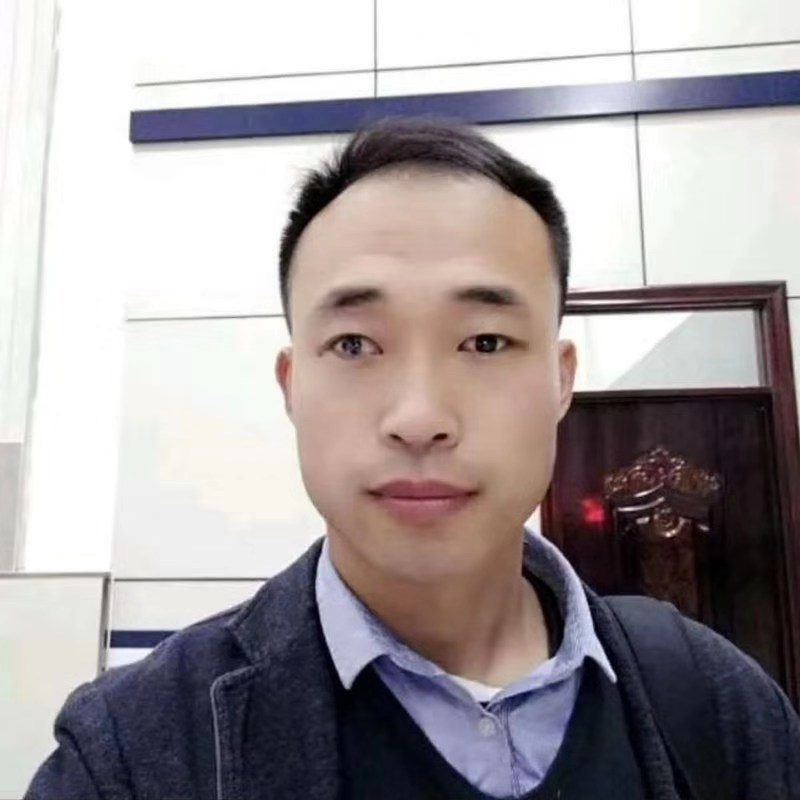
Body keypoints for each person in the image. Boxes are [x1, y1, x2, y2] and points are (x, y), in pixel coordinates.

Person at [26, 117, 799, 800]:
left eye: (485, 342)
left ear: (561, 380)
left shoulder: (722, 706)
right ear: (291, 386)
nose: (419, 418)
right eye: (354, 344)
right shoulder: (130, 754)